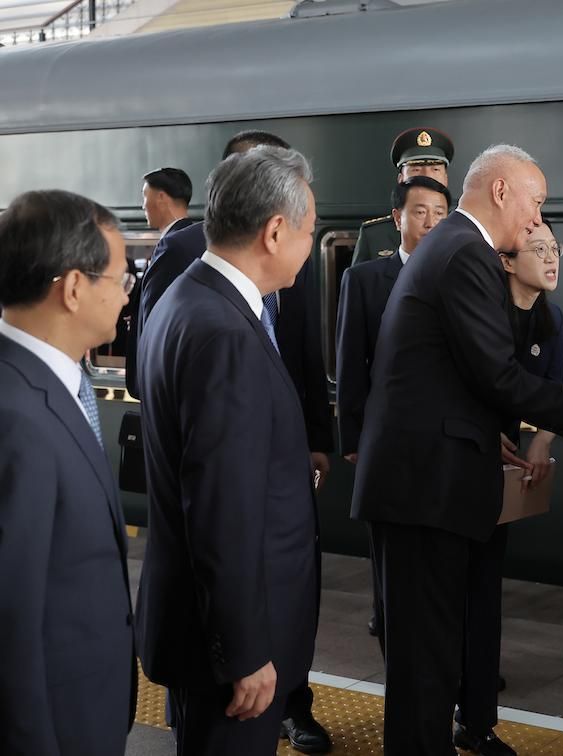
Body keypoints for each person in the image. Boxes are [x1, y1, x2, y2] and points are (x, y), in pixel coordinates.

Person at [350, 144, 563, 754]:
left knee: (427, 661)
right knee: (425, 666)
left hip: (428, 482)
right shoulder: (466, 253)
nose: (538, 221)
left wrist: (492, 436)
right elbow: (495, 373)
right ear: (503, 192)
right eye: (536, 204)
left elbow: (454, 377)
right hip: (423, 490)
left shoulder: (457, 246)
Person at [132, 129, 334, 753]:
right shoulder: (226, 335)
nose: (310, 248)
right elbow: (223, 507)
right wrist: (245, 651)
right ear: (275, 232)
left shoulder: (187, 298)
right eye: (309, 232)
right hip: (233, 653)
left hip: (201, 625)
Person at [0, 190, 136, 756]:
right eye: (121, 279)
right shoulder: (16, 420)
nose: (127, 298)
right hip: (56, 727)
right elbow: (9, 628)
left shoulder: (47, 387)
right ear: (74, 287)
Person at [453, 220, 563, 756]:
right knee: (448, 601)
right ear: (505, 260)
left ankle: (478, 722)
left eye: (555, 250)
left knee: (484, 596)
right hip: (456, 469)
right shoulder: (485, 309)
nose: (551, 259)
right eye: (538, 249)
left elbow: (554, 389)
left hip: (500, 475)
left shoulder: (552, 318)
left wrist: (541, 443)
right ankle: (446, 708)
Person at [336, 175, 451, 655]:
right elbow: (350, 366)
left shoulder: (461, 275)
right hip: (386, 446)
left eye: (440, 215)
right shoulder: (363, 280)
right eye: (420, 212)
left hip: (445, 446)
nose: (430, 223)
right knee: (390, 561)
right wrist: (354, 440)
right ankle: (393, 638)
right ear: (398, 219)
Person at [125, 167, 195, 398]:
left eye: (145, 197)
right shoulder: (197, 239)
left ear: (161, 197)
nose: (142, 205)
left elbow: (157, 319)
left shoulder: (172, 246)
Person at [351, 126, 454, 265]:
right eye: (416, 169)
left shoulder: (462, 230)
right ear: (401, 179)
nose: (426, 177)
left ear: (446, 179)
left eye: (435, 169)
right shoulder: (374, 235)